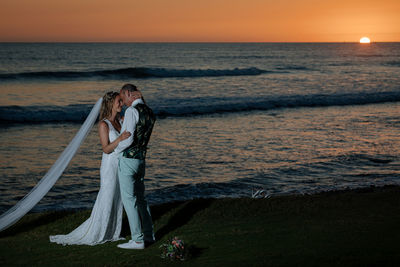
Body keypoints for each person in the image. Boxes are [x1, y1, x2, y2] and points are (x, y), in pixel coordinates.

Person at [49, 92, 131, 245]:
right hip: (109, 166)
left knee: (117, 198)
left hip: (121, 164)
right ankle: (97, 232)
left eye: (121, 101)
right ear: (111, 104)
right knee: (106, 197)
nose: (122, 104)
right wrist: (119, 139)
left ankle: (112, 231)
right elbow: (106, 149)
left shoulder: (120, 121)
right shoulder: (103, 124)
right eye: (119, 101)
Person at [115, 84, 156, 249]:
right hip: (141, 160)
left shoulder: (132, 111)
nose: (123, 102)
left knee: (129, 200)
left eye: (123, 98)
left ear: (128, 93)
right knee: (141, 199)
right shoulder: (149, 111)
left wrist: (115, 148)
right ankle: (149, 235)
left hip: (128, 159)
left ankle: (138, 240)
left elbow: (129, 139)